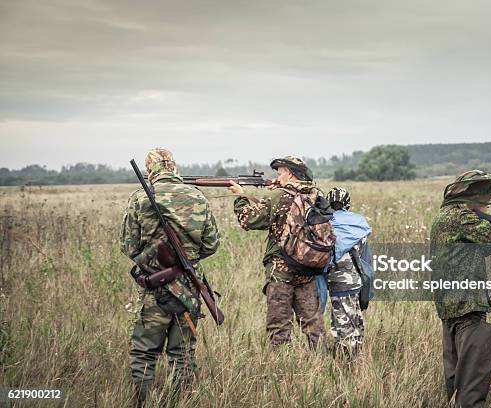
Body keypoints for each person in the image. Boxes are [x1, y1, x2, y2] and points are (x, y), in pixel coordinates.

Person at [121, 148, 220, 405]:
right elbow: (211, 245)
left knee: (144, 352)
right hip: (189, 288)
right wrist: (186, 258)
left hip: (155, 288)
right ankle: (182, 402)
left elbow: (129, 247)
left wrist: (154, 258)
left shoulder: (140, 198)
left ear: (149, 170)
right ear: (174, 167)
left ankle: (143, 402)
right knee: (183, 353)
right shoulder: (197, 197)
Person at [429, 170, 491, 408]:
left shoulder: (446, 217)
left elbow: (468, 252)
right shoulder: (461, 217)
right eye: (483, 195)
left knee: (456, 381)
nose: (486, 202)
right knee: (471, 387)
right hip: (467, 305)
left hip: (450, 306)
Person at [228, 156, 325, 348]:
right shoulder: (315, 195)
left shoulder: (278, 196)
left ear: (289, 173)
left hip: (281, 270)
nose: (278, 176)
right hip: (308, 268)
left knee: (279, 327)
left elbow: (249, 220)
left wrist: (240, 196)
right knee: (314, 325)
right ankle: (321, 362)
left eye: (280, 172)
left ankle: (281, 368)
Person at [317, 187, 372, 358]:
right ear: (347, 203)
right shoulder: (358, 223)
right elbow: (365, 257)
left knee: (342, 322)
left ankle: (346, 361)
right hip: (355, 280)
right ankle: (354, 356)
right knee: (354, 318)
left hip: (335, 280)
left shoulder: (324, 223)